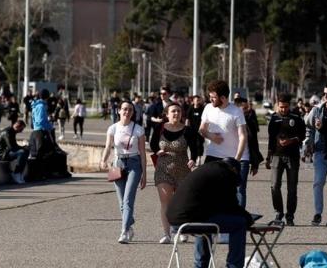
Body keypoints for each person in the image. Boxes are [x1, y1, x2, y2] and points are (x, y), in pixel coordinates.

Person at [166, 158, 254, 268]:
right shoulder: (225, 174)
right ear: (234, 170)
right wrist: (248, 218)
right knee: (239, 223)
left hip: (175, 218)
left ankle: (200, 265)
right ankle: (234, 265)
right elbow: (232, 206)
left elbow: (215, 205)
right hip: (189, 219)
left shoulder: (208, 169)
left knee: (205, 221)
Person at [150, 102, 199, 243]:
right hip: (163, 169)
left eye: (178, 111)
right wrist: (157, 151)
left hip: (183, 169)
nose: (176, 114)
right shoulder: (159, 127)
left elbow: (194, 147)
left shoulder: (187, 130)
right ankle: (167, 234)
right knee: (165, 202)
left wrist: (193, 159)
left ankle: (181, 230)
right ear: (167, 114)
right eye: (173, 111)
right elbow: (153, 143)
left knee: (180, 202)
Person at [100, 101, 147, 243]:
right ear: (119, 111)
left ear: (133, 113)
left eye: (130, 110)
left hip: (134, 163)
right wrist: (103, 160)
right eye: (124, 109)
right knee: (122, 202)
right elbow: (108, 146)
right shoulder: (113, 128)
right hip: (117, 163)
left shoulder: (138, 129)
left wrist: (144, 173)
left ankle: (124, 231)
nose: (127, 112)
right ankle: (129, 223)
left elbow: (143, 153)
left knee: (128, 199)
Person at [199, 80, 251, 208]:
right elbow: (201, 129)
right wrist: (211, 136)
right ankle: (213, 219)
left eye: (213, 97)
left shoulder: (236, 111)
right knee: (207, 186)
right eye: (210, 97)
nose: (210, 100)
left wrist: (236, 161)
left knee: (238, 190)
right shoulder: (208, 108)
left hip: (238, 157)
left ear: (223, 97)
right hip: (214, 154)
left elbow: (243, 136)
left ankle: (238, 222)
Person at [304, 82, 327, 226]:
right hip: (320, 152)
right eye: (324, 93)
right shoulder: (317, 110)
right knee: (318, 183)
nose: (325, 96)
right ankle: (317, 213)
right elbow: (308, 126)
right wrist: (308, 143)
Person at [265, 94, 305, 226]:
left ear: (290, 105)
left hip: (292, 157)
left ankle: (290, 215)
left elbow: (302, 135)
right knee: (275, 185)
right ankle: (279, 212)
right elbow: (271, 138)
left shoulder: (296, 118)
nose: (283, 110)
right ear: (277, 105)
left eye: (286, 107)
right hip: (277, 156)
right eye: (281, 107)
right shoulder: (274, 118)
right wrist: (268, 156)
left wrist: (291, 140)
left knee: (292, 188)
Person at [0, 119, 29, 184]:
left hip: (7, 151)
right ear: (17, 126)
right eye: (21, 129)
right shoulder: (7, 132)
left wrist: (24, 147)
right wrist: (22, 147)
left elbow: (14, 145)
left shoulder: (12, 131)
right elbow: (11, 147)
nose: (21, 131)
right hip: (2, 154)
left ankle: (20, 173)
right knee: (21, 152)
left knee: (26, 151)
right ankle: (16, 173)